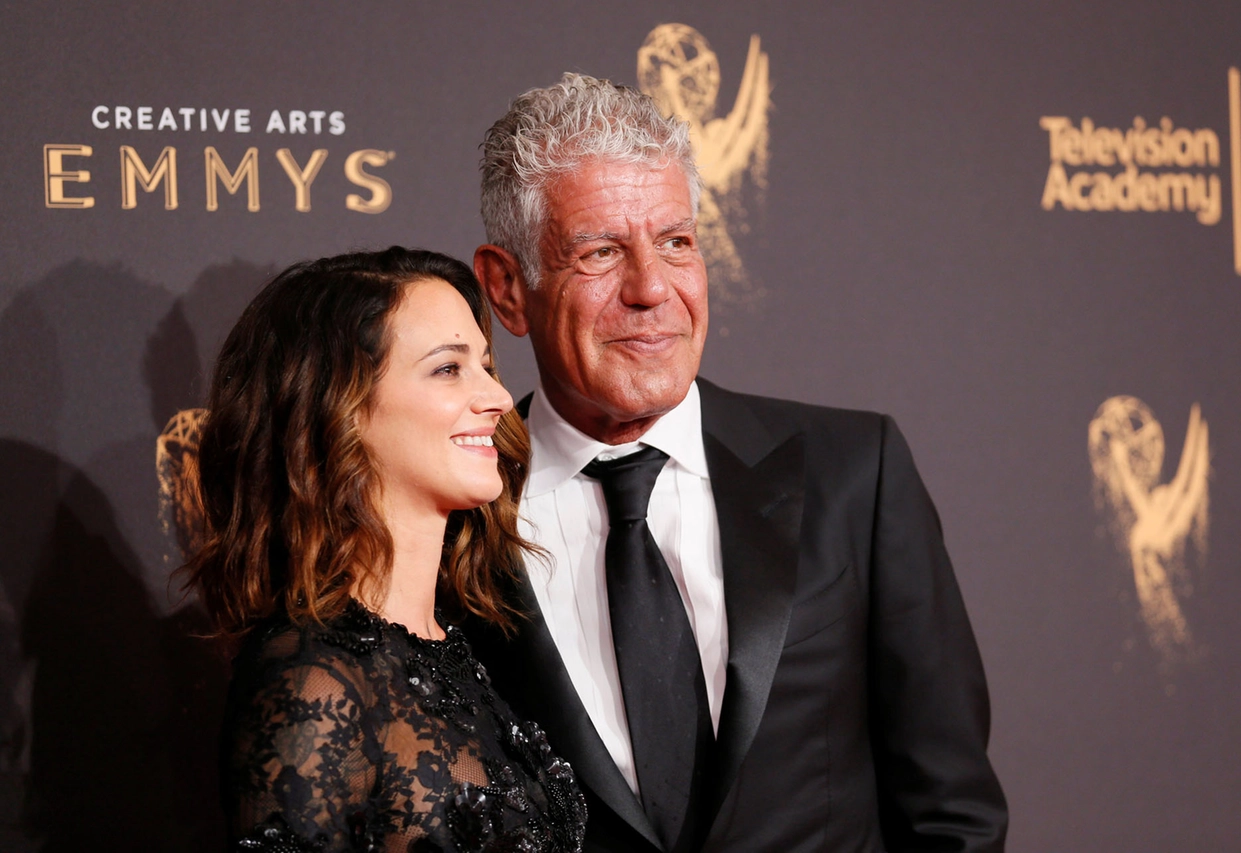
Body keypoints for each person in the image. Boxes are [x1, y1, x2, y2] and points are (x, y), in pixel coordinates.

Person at [466, 74, 1008, 852]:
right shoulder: (459, 512)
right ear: (508, 289)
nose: (652, 288)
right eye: (600, 252)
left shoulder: (855, 473)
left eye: (677, 242)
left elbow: (953, 812)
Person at [183, 247, 587, 852]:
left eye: (485, 364)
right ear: (339, 410)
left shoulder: (457, 647)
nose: (500, 398)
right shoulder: (313, 680)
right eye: (448, 369)